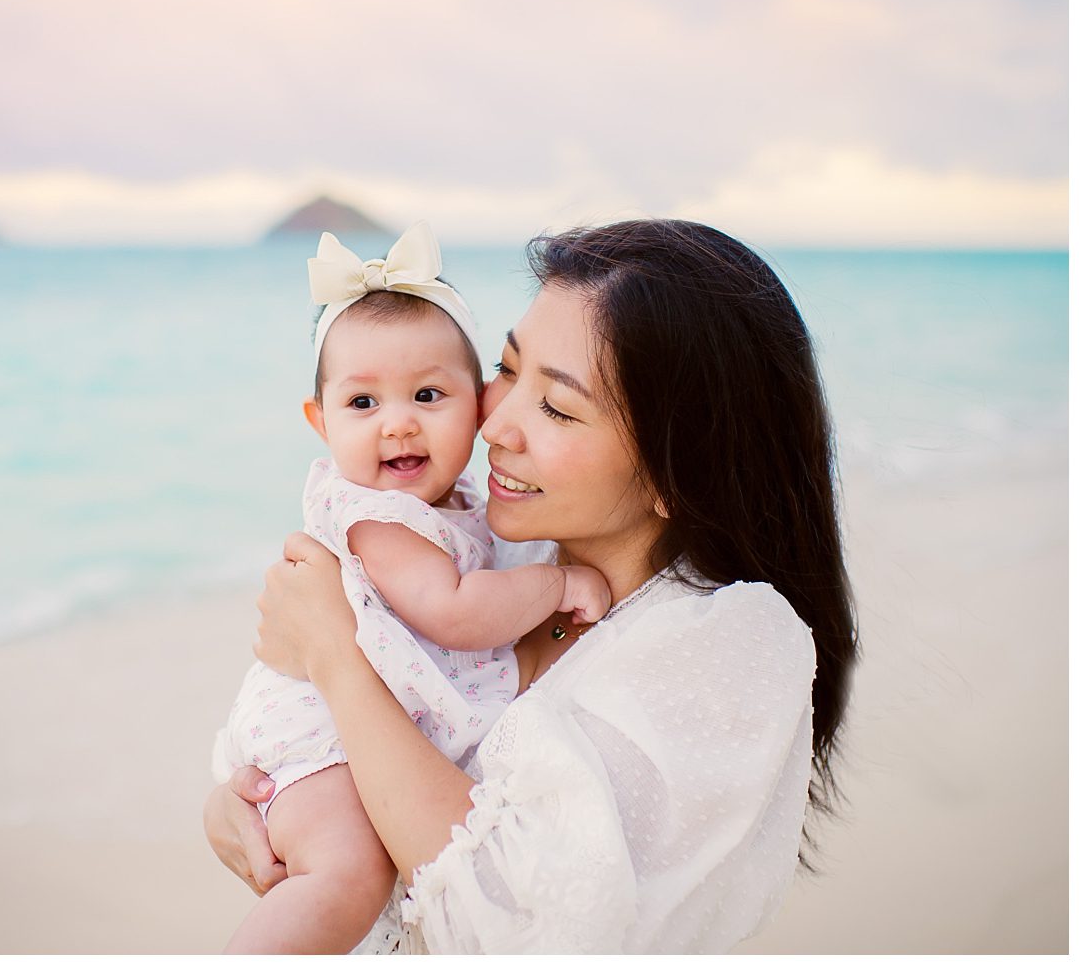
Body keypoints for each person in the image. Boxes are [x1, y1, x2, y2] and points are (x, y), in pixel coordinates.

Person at [205, 219, 858, 953]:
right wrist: (255, 799)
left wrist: (336, 656)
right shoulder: (502, 556)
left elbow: (516, 915)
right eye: (507, 371)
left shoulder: (727, 648)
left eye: (556, 405)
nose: (496, 425)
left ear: (683, 474)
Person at [214, 222, 611, 953]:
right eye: (362, 404)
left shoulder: (453, 501)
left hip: (353, 713)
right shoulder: (377, 516)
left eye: (428, 394)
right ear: (320, 420)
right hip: (321, 732)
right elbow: (453, 611)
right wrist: (556, 581)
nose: (397, 423)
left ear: (477, 406)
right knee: (346, 876)